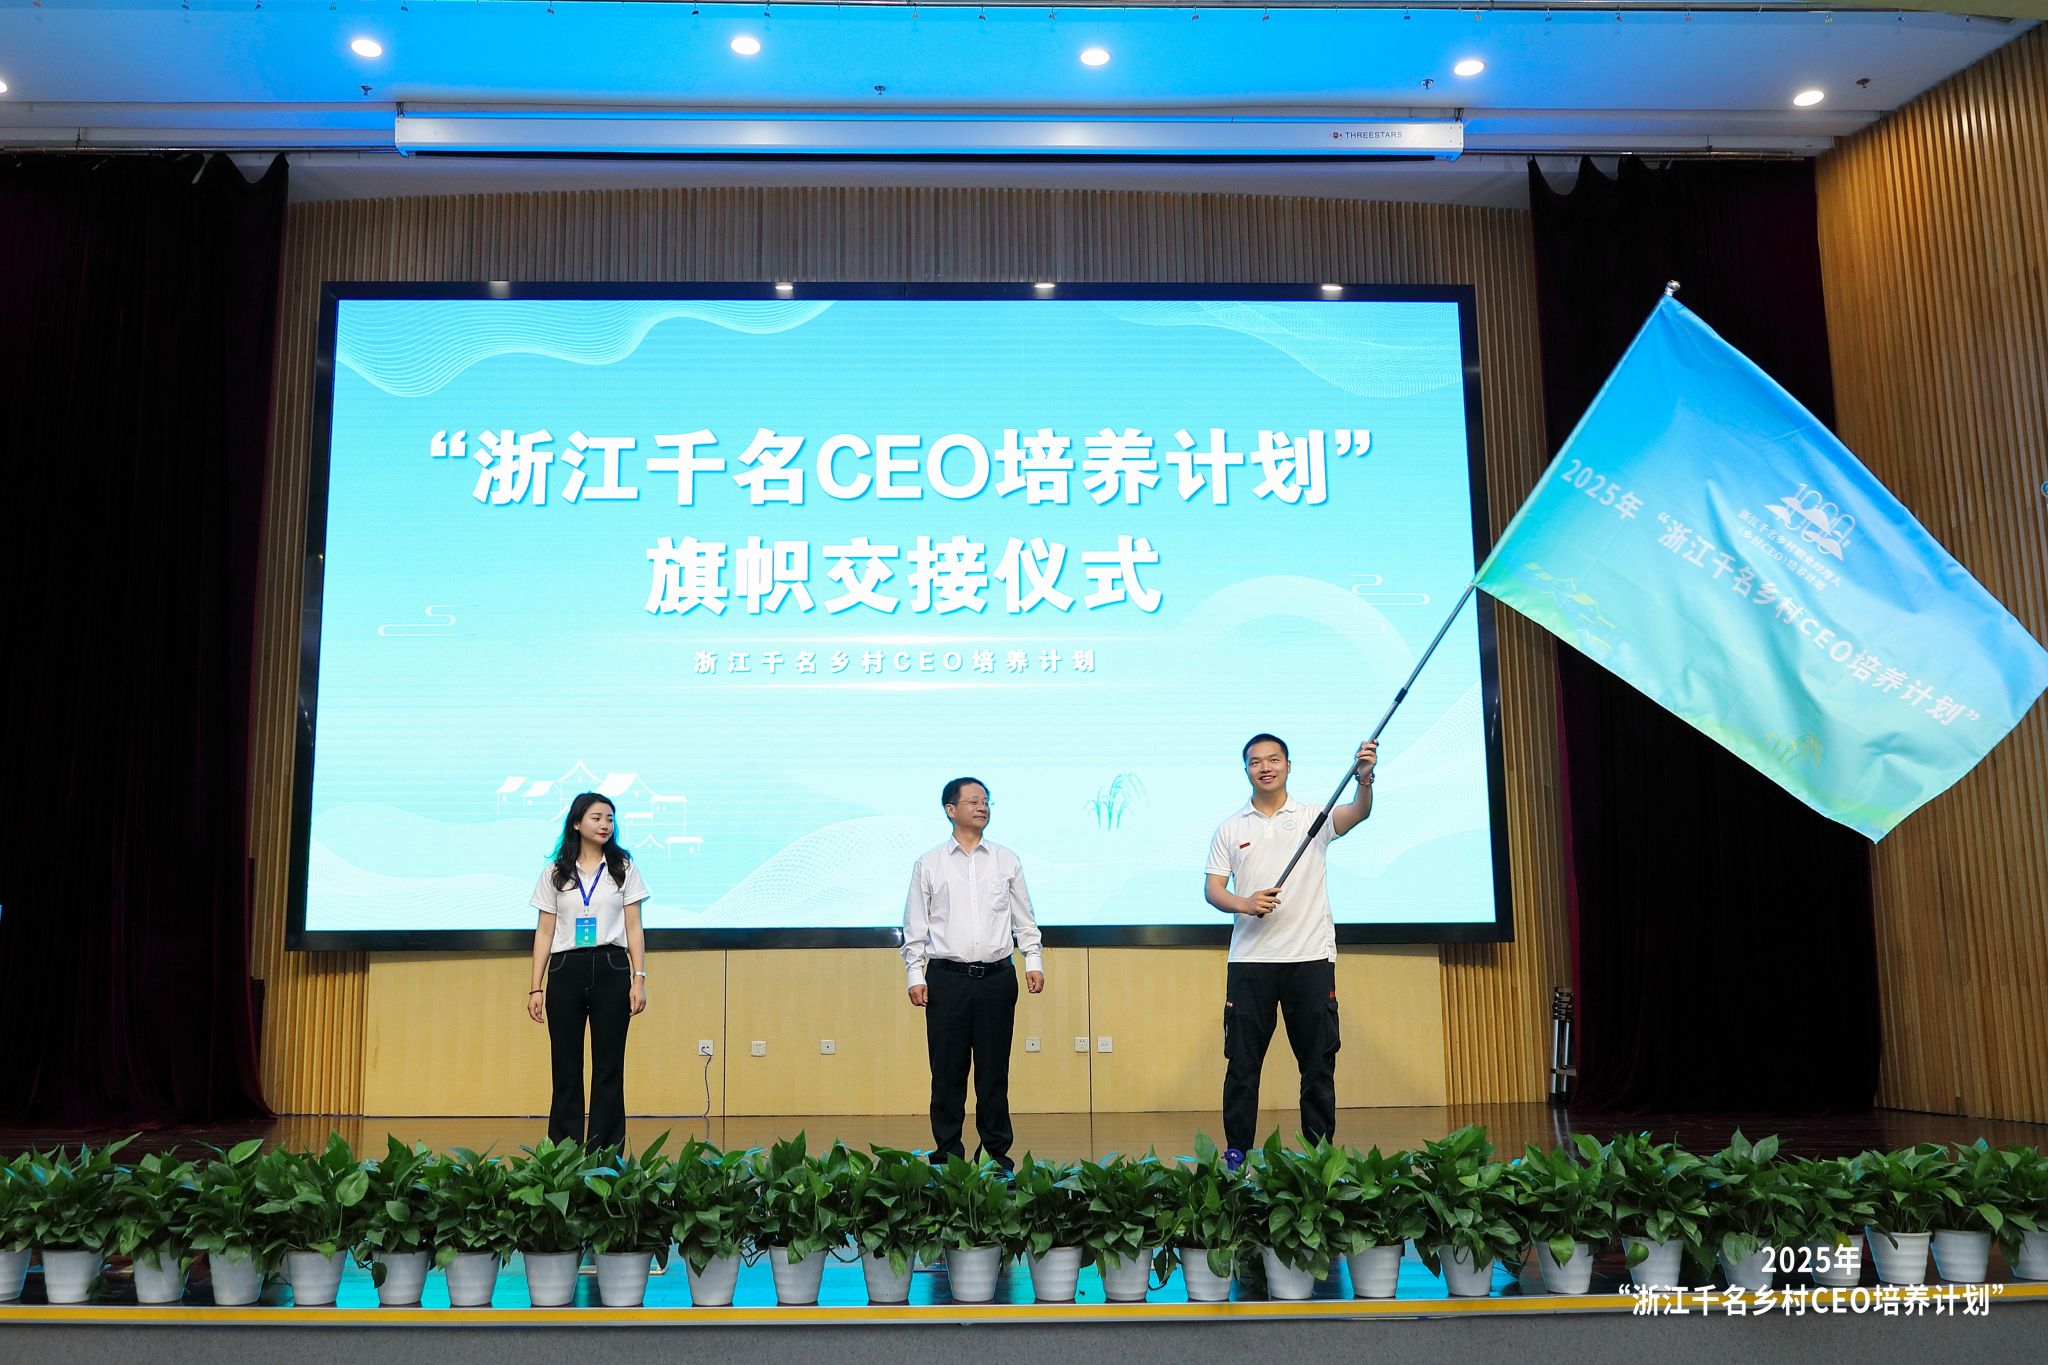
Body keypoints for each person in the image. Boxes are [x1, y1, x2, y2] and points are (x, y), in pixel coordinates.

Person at [1204, 734, 1377, 1170]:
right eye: (1255, 761)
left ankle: (1319, 1156)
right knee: (1242, 1065)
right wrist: (1245, 903)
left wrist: (1364, 779)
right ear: (1246, 769)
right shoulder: (1231, 828)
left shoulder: (1313, 817)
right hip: (1250, 963)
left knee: (1317, 1064)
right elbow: (1213, 890)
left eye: (1273, 759)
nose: (1265, 767)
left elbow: (1358, 812)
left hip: (1310, 959)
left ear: (1287, 765)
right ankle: (1237, 1153)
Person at [901, 776, 1045, 1172]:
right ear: (951, 810)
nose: (982, 807)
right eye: (973, 801)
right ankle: (947, 1157)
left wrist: (1033, 961)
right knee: (947, 1073)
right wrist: (915, 975)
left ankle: (996, 1159)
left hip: (998, 979)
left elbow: (1025, 919)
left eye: (986, 801)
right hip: (946, 980)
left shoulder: (1006, 860)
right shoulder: (929, 863)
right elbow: (915, 926)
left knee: (994, 1074)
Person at [527, 791, 649, 1151]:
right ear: (577, 823)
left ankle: (605, 1156)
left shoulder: (623, 868)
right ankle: (563, 1154)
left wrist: (638, 978)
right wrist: (536, 987)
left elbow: (634, 927)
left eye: (610, 819)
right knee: (565, 1068)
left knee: (609, 1068)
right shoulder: (555, 873)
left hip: (611, 966)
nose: (605, 825)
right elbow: (544, 932)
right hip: (566, 968)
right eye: (596, 818)